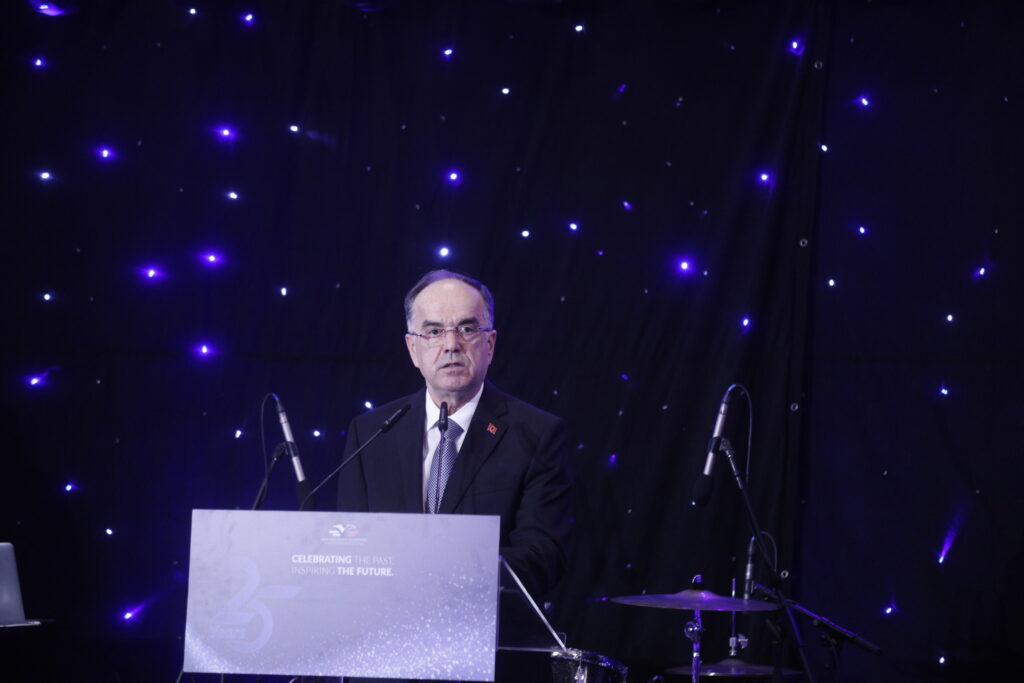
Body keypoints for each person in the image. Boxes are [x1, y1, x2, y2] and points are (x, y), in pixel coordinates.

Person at [336, 269, 572, 601]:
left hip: (487, 624)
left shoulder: (538, 435)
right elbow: (350, 547)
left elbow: (542, 558)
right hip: (385, 622)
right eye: (433, 331)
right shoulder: (371, 433)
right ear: (413, 348)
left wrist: (440, 574)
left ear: (490, 344)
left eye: (467, 329)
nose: (451, 345)